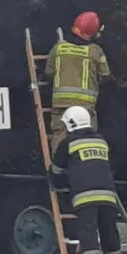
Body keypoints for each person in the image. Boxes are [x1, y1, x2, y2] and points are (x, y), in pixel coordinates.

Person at [49, 106, 122, 254]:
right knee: (109, 232)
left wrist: (53, 179)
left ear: (71, 124)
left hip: (85, 197)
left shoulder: (69, 143)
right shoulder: (101, 141)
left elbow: (57, 170)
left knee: (88, 232)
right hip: (108, 196)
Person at [45, 11, 112, 154]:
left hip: (61, 105)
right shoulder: (95, 51)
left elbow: (48, 73)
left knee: (60, 138)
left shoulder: (58, 48)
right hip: (85, 107)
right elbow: (105, 75)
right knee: (86, 140)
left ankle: (59, 169)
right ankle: (82, 167)